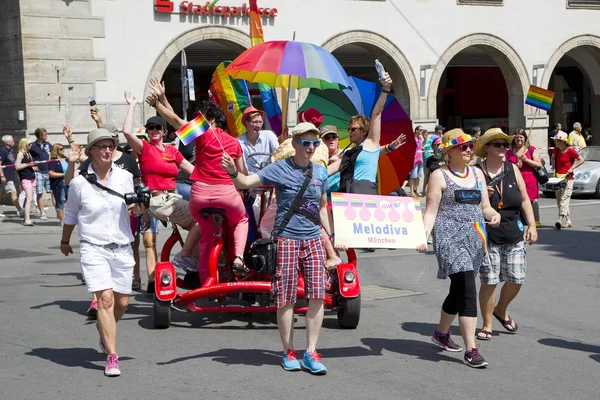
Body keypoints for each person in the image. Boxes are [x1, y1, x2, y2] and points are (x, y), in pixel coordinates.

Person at [221, 122, 332, 374]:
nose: (311, 147)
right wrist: (232, 172)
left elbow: (322, 207)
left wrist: (332, 235)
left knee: (317, 295)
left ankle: (311, 351)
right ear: (294, 144)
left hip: (313, 239)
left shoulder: (320, 172)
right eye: (306, 143)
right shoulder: (280, 168)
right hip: (288, 240)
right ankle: (289, 351)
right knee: (286, 296)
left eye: (314, 143)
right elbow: (247, 182)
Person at [61, 128, 143, 377]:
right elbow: (72, 213)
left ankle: (104, 329)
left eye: (110, 146)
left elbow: (133, 209)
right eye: (101, 146)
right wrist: (65, 241)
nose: (108, 150)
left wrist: (140, 207)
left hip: (122, 247)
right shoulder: (79, 183)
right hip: (93, 247)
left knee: (122, 303)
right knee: (105, 300)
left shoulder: (126, 177)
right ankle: (112, 356)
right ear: (91, 152)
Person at [416, 128, 500, 368]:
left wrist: (493, 215)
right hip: (449, 238)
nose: (468, 150)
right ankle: (471, 349)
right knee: (466, 288)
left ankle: (441, 334)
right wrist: (422, 236)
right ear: (449, 152)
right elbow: (431, 210)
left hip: (475, 238)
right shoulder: (439, 176)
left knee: (458, 288)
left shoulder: (477, 174)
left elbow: (485, 206)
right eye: (463, 147)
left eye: (470, 146)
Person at [147, 92, 248, 284]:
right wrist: (160, 103)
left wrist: (157, 104)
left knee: (207, 240)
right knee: (241, 220)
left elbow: (177, 121)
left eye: (199, 119)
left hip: (199, 195)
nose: (195, 122)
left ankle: (205, 283)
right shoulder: (235, 142)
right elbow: (242, 175)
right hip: (226, 194)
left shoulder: (203, 135)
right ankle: (239, 257)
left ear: (209, 120)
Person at [123, 91, 200, 291]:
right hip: (158, 200)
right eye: (151, 128)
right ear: (147, 131)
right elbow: (127, 133)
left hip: (173, 197)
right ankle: (186, 258)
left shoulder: (172, 151)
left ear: (165, 132)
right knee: (202, 220)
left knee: (206, 225)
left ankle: (197, 267)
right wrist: (132, 105)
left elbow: (194, 171)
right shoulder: (145, 149)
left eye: (158, 127)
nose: (155, 130)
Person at [473, 128, 538, 341]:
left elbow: (525, 198)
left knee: (517, 278)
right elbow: (464, 201)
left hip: (514, 232)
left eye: (505, 144)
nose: (503, 148)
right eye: (498, 144)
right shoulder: (476, 171)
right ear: (487, 149)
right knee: (490, 281)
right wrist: (480, 195)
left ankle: (500, 309)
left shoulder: (512, 168)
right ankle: (487, 324)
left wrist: (532, 224)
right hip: (487, 235)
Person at [335, 74, 393, 195]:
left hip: (365, 193)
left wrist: (385, 89)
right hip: (347, 193)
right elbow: (331, 170)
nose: (349, 132)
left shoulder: (370, 143)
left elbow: (377, 114)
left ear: (363, 131)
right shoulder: (349, 152)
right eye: (349, 129)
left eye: (353, 129)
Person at [506, 128, 543, 227]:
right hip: (515, 181)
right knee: (516, 202)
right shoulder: (509, 152)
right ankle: (520, 223)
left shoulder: (531, 149)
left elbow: (538, 164)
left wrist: (526, 160)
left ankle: (530, 223)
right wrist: (514, 166)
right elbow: (504, 166)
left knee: (528, 202)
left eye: (521, 137)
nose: (519, 139)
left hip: (529, 181)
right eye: (517, 137)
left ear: (525, 138)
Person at [551, 131, 584, 229]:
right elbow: (553, 157)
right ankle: (568, 220)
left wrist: (572, 168)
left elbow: (581, 159)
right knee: (559, 201)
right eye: (555, 140)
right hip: (557, 177)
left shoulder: (570, 150)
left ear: (563, 142)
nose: (556, 142)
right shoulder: (556, 150)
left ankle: (559, 221)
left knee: (564, 200)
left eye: (558, 140)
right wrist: (553, 164)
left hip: (567, 178)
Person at [238, 106, 279, 174]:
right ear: (246, 123)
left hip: (268, 178)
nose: (258, 125)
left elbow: (278, 153)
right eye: (255, 122)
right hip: (248, 181)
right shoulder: (239, 142)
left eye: (260, 122)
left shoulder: (269, 135)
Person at [29, 128, 53, 220]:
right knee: (39, 192)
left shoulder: (48, 144)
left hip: (48, 170)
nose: (47, 135)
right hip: (39, 172)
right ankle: (42, 212)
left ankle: (59, 212)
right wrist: (32, 166)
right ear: (39, 135)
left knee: (52, 192)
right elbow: (26, 157)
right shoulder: (32, 146)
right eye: (45, 134)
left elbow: (54, 154)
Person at [15, 138, 37, 226]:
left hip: (31, 177)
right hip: (25, 178)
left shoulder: (28, 154)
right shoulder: (20, 154)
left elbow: (27, 165)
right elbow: (17, 167)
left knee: (30, 199)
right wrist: (28, 165)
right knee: (29, 198)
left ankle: (27, 218)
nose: (31, 145)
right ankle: (26, 220)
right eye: (29, 144)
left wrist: (33, 167)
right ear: (25, 144)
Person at [0, 135, 21, 217]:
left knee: (1, 193)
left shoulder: (10, 151)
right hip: (5, 176)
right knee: (13, 192)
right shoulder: (3, 150)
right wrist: (2, 176)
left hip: (9, 175)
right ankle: (20, 210)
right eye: (12, 140)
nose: (13, 141)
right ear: (7, 142)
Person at [48, 144, 68, 225]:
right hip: (59, 183)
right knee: (60, 202)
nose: (63, 150)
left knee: (70, 200)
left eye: (63, 148)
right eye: (61, 149)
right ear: (56, 150)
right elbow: (51, 173)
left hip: (69, 182)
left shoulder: (66, 159)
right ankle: (62, 220)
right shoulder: (53, 161)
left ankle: (69, 218)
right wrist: (64, 175)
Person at [422, 125, 445, 192]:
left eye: (441, 145)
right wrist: (423, 189)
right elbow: (426, 176)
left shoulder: (445, 158)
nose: (440, 146)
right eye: (438, 145)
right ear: (433, 146)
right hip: (434, 186)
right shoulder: (430, 160)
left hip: (445, 186)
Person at [409, 126, 424, 197]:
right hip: (414, 159)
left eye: (422, 130)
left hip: (420, 159)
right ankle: (411, 191)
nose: (422, 131)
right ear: (416, 130)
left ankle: (417, 190)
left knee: (418, 176)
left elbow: (420, 147)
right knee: (413, 176)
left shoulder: (420, 138)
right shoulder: (413, 139)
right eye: (420, 130)